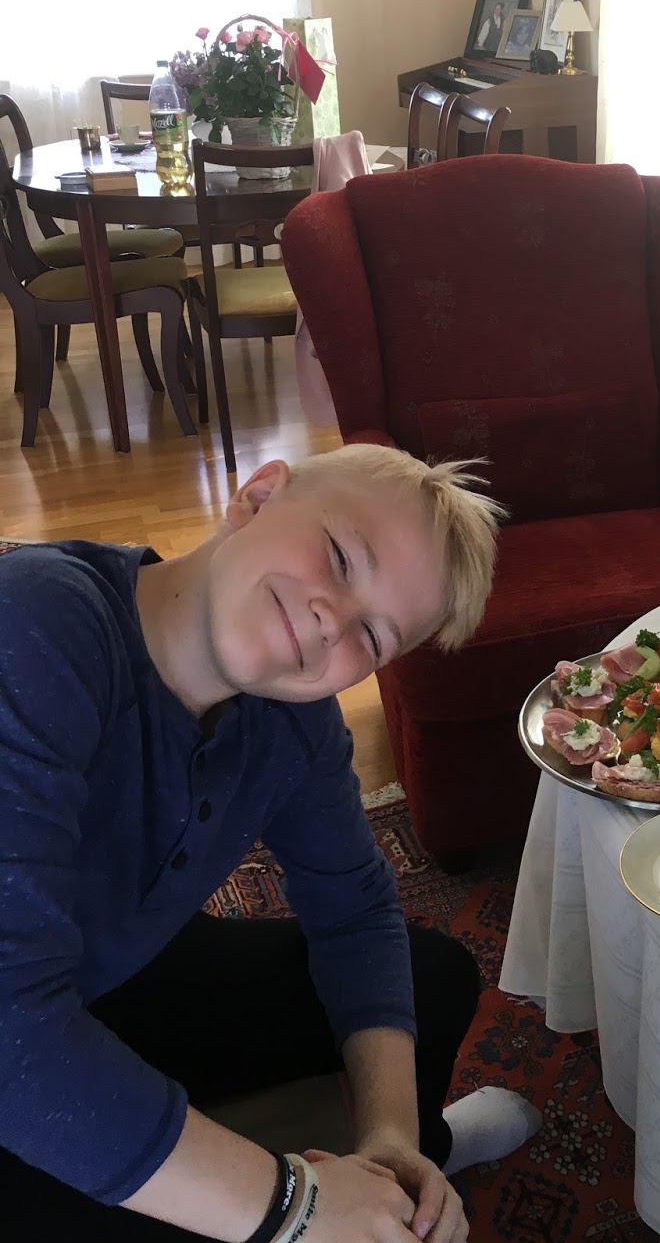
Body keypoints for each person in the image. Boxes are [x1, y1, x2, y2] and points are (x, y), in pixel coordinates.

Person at [0, 444, 541, 1243]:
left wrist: (390, 1137)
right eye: (340, 557)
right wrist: (294, 1205)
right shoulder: (40, 621)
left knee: (432, 981)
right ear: (257, 495)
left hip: (98, 972)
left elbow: (355, 911)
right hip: (18, 1019)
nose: (332, 620)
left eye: (373, 636)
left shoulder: (294, 721)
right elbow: (12, 1029)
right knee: (209, 1221)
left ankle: (409, 1168)